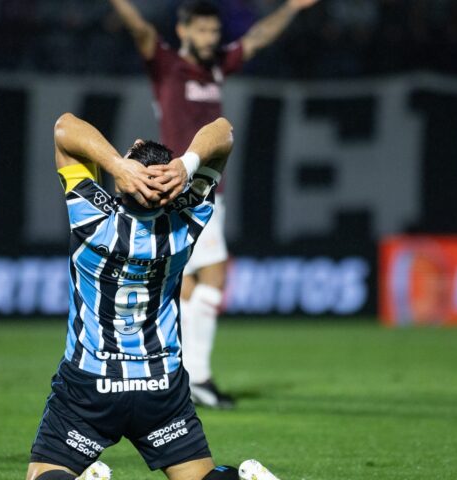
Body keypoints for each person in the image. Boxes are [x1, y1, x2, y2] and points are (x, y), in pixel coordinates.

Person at [25, 113, 280, 480]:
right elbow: (224, 132)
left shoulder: (90, 218)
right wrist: (186, 165)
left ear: (126, 178)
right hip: (161, 386)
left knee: (42, 474)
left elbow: (64, 128)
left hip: (91, 382)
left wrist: (115, 163)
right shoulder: (186, 220)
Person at [108, 0, 320, 409]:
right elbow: (141, 31)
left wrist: (291, 7)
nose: (210, 39)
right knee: (213, 278)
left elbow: (256, 38)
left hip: (203, 186)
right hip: (185, 187)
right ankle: (196, 377)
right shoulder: (168, 64)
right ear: (184, 30)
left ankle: (173, 374)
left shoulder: (216, 66)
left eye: (213, 32)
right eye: (201, 31)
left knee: (185, 284)